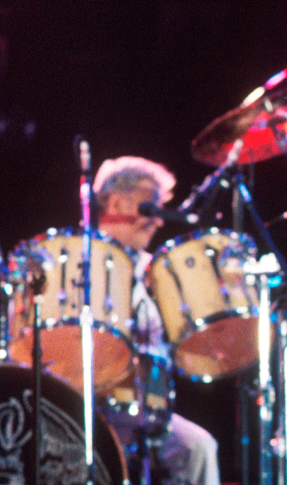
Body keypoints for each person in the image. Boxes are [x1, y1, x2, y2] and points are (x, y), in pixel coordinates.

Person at [93, 156, 221, 485]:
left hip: (149, 409)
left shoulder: (158, 271)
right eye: (151, 207)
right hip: (90, 402)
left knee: (199, 447)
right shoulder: (80, 260)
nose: (159, 220)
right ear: (117, 201)